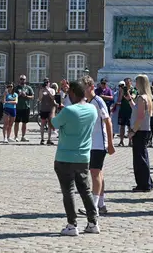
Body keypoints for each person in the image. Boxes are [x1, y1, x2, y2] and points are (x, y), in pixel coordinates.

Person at [51, 80, 99, 236]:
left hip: (65, 156)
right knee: (85, 190)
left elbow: (54, 124)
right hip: (83, 156)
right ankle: (93, 222)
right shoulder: (92, 109)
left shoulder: (68, 111)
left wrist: (54, 110)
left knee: (68, 191)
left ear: (72, 93)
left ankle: (72, 225)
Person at [79, 76, 115, 216]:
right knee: (98, 173)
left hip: (99, 143)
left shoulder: (98, 101)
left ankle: (92, 206)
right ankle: (101, 204)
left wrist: (110, 144)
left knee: (94, 173)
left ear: (91, 87)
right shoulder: (88, 102)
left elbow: (108, 121)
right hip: (92, 143)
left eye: (84, 87)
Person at [126, 74, 153, 192]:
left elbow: (140, 117)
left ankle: (144, 184)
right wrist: (130, 100)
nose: (135, 84)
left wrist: (133, 131)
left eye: (136, 82)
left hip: (140, 130)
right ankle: (146, 182)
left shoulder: (142, 98)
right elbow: (136, 110)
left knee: (139, 159)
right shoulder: (145, 97)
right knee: (142, 156)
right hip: (143, 130)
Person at [115, 78, 136, 147]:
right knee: (122, 126)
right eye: (125, 83)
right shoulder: (123, 90)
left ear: (131, 82)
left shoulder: (133, 90)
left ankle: (130, 141)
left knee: (130, 126)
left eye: (127, 83)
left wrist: (127, 92)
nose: (126, 84)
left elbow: (133, 97)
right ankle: (121, 141)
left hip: (130, 110)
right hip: (123, 110)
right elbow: (119, 100)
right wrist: (121, 92)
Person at [14, 75, 34, 142]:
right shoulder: (16, 88)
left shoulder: (28, 88)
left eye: (24, 79)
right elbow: (13, 97)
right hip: (18, 107)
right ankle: (16, 136)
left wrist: (26, 96)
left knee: (24, 122)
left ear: (25, 80)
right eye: (21, 79)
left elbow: (32, 96)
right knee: (17, 122)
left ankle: (23, 136)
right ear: (19, 80)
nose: (22, 80)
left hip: (26, 107)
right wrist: (19, 95)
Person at [38, 79, 58, 145]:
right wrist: (42, 91)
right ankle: (42, 139)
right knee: (42, 124)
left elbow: (53, 98)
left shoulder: (52, 90)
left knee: (50, 125)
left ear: (49, 83)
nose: (46, 84)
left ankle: (49, 139)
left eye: (47, 82)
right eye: (45, 82)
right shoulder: (41, 90)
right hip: (43, 109)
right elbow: (40, 99)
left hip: (50, 109)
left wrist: (48, 91)